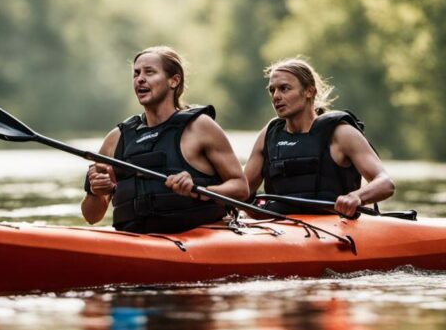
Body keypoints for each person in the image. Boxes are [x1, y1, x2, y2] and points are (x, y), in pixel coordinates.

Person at [81, 45, 249, 233]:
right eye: (136, 74)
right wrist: (97, 193)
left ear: (174, 81)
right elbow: (91, 217)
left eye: (150, 72)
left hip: (197, 239)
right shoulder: (115, 139)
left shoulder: (200, 127)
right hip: (134, 241)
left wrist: (200, 190)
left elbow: (241, 189)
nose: (140, 79)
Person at [244, 57, 395, 218]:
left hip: (333, 227)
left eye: (284, 88)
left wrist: (357, 196)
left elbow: (386, 183)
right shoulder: (269, 135)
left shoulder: (341, 133)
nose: (276, 96)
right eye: (272, 90)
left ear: (309, 91)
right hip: (279, 227)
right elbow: (241, 188)